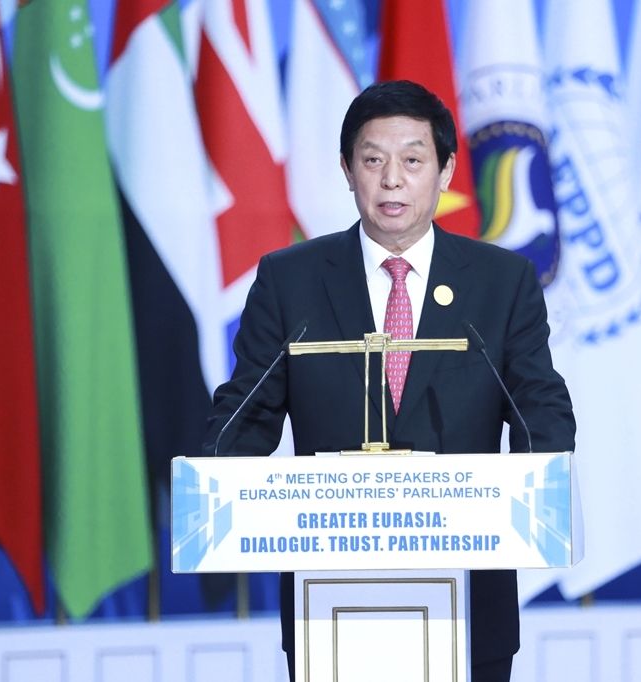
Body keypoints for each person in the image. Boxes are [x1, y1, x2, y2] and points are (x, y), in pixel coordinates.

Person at [203, 79, 576, 682]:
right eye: (373, 160)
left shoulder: (501, 282)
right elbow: (246, 412)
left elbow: (542, 410)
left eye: (413, 160)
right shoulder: (289, 280)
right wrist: (214, 476)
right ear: (347, 170)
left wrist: (538, 491)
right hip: (332, 606)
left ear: (446, 170)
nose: (392, 180)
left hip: (468, 608)